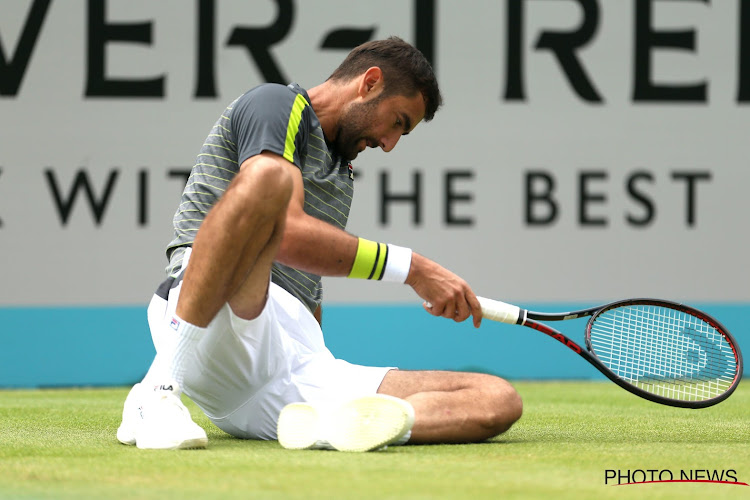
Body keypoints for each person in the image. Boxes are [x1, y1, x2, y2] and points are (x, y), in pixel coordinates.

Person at [116, 37, 522, 452]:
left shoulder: (342, 172)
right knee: (267, 181)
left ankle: (336, 429)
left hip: (297, 366)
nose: (390, 143)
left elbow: (306, 287)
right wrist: (414, 268)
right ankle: (160, 388)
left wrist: (317, 359)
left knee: (497, 399)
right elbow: (288, 236)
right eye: (398, 121)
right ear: (370, 83)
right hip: (215, 319)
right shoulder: (275, 105)